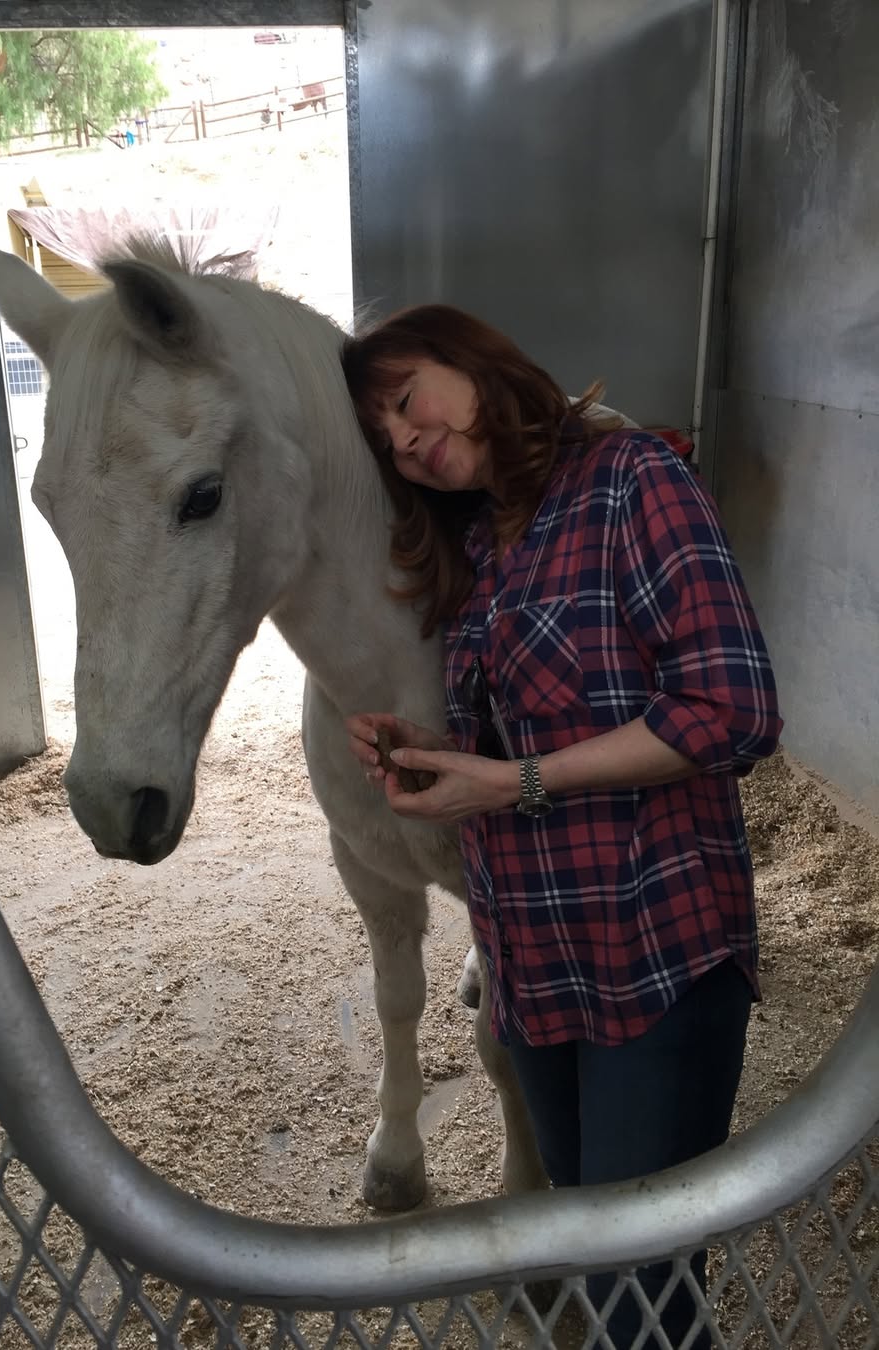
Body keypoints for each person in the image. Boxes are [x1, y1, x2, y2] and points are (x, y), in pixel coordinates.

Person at [340, 305, 782, 1350]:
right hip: (536, 971)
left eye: (408, 400)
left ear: (474, 361)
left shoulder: (634, 481)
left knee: (641, 1294)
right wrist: (428, 748)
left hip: (656, 955)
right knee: (604, 1266)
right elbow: (527, 726)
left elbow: (734, 708)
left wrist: (512, 784)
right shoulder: (482, 543)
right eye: (385, 438)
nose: (404, 439)